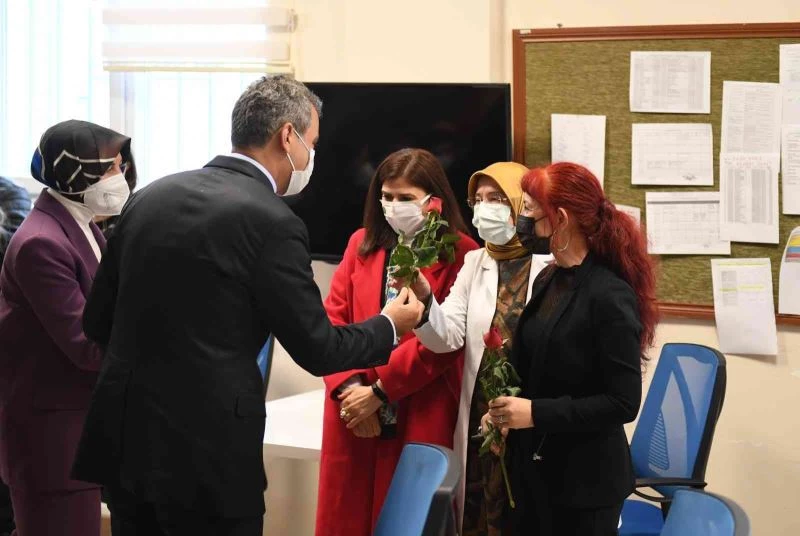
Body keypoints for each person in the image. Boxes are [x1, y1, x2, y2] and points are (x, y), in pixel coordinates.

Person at [71, 75, 424, 536]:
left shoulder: (149, 198)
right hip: (208, 461)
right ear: (288, 137)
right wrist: (390, 325)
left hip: (127, 451)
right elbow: (319, 349)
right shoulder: (273, 222)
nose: (311, 158)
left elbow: (96, 321)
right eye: (313, 143)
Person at [483, 162, 658, 536]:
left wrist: (534, 413)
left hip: (584, 488)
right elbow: (537, 367)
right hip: (538, 470)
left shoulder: (609, 296)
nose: (520, 221)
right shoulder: (550, 277)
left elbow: (622, 403)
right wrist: (504, 415)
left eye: (529, 210)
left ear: (559, 218)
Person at [315, 148, 479, 536]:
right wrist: (353, 389)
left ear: (434, 201)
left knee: (410, 519)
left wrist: (381, 391)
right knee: (347, 519)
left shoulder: (461, 253)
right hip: (353, 409)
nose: (393, 205)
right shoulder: (361, 243)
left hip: (417, 404)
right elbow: (332, 320)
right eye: (386, 196)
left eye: (405, 197)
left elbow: (446, 342)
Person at [0, 119, 134, 536]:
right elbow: (86, 344)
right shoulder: (42, 242)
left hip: (77, 432)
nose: (121, 176)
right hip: (51, 441)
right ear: (75, 173)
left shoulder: (82, 224)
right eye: (111, 167)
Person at [410, 162, 551, 535]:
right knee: (479, 515)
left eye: (497, 198)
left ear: (522, 203)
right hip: (481, 416)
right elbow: (448, 335)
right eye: (479, 200)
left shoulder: (553, 264)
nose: (485, 208)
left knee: (524, 516)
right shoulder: (477, 261)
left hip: (532, 417)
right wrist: (424, 301)